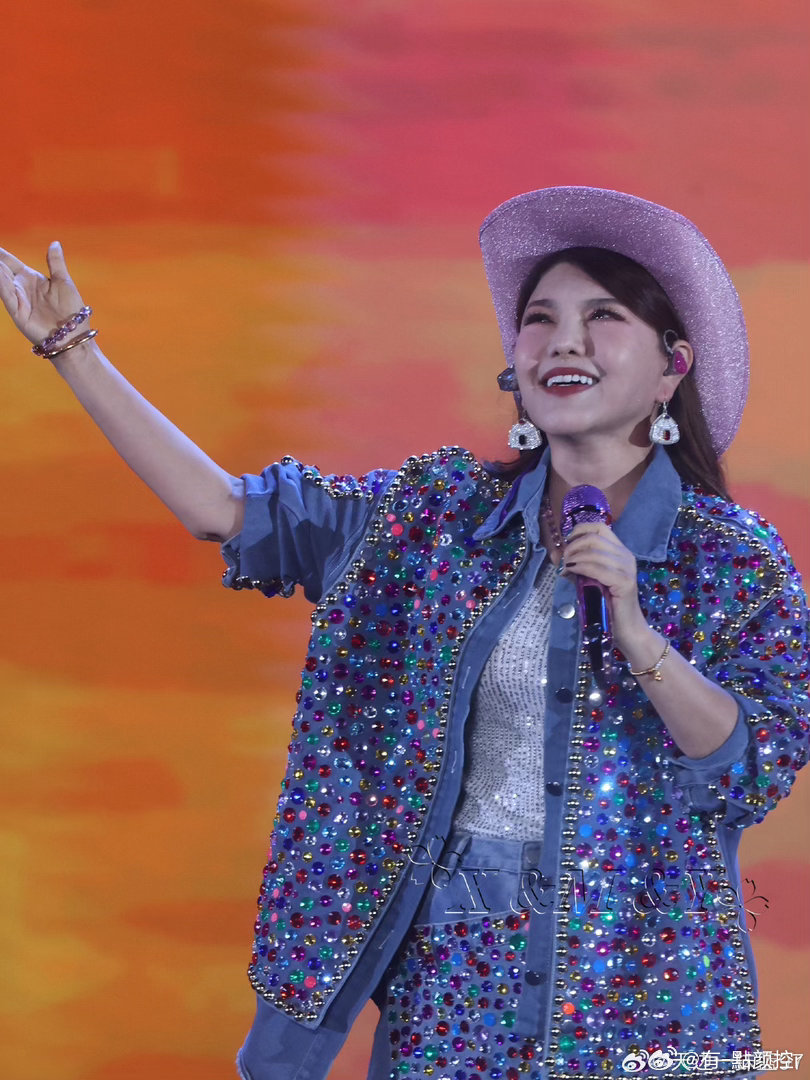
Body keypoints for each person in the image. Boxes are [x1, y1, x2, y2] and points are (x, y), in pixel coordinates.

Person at [1, 187, 807, 1080]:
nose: (562, 341)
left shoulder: (731, 560)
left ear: (671, 367)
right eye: (539, 320)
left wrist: (639, 634)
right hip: (455, 979)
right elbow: (227, 511)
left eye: (603, 316)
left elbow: (749, 768)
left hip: (640, 981)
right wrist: (73, 349)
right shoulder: (430, 521)